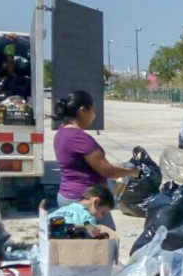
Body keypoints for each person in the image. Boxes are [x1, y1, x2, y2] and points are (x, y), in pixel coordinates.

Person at [53, 91, 138, 230]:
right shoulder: (78, 138)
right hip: (87, 202)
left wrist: (116, 167)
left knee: (79, 245)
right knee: (105, 243)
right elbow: (107, 171)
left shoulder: (62, 132)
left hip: (68, 195)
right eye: (92, 110)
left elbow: (83, 165)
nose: (94, 115)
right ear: (82, 110)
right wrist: (131, 172)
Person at [48, 185, 115, 226]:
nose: (101, 218)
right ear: (96, 202)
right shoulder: (88, 218)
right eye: (102, 213)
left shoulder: (59, 210)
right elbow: (92, 235)